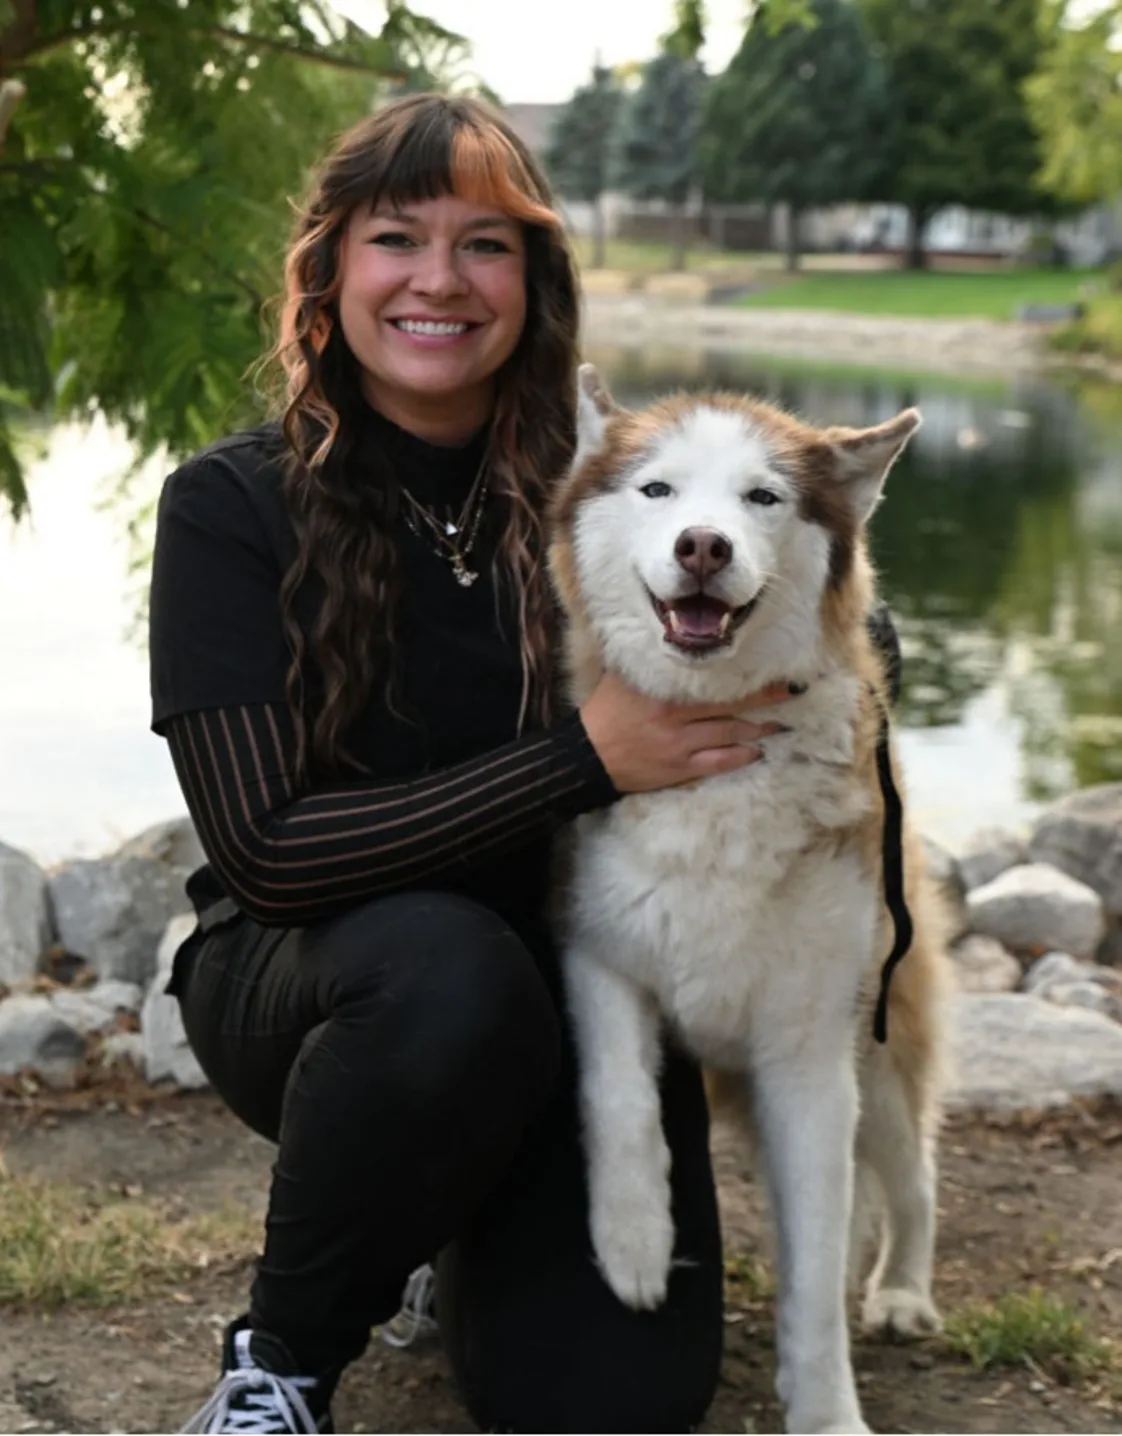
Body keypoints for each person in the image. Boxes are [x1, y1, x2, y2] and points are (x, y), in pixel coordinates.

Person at [149, 93, 892, 1435]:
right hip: (325, 984)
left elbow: (809, 583)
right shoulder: (231, 504)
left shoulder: (616, 490)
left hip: (584, 998)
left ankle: (451, 1224)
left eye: (485, 244)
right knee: (447, 968)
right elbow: (266, 850)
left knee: (617, 1399)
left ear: (532, 281)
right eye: (394, 238)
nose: (438, 280)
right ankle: (282, 1362)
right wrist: (586, 758)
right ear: (327, 268)